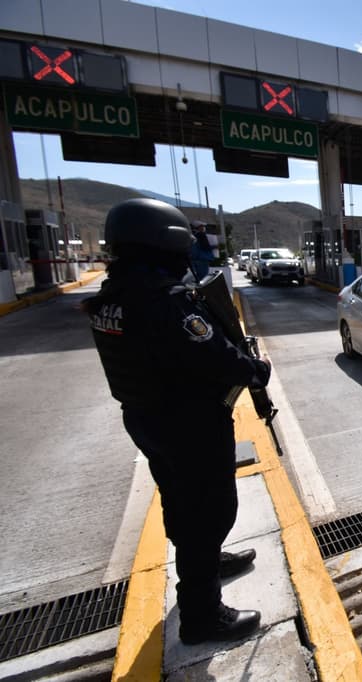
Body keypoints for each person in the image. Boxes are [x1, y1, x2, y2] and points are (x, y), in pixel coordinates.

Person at [84, 198, 271, 645]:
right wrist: (254, 369)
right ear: (167, 241)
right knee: (209, 512)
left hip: (147, 418)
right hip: (190, 424)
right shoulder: (168, 303)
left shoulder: (111, 299)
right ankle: (203, 616)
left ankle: (205, 562)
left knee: (181, 504)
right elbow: (224, 362)